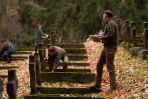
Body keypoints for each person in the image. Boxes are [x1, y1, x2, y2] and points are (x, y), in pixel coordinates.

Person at [89, 10, 118, 92]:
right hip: (106, 47)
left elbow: (111, 36)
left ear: (106, 16)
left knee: (110, 66)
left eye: (103, 16)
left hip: (110, 48)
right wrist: (98, 37)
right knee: (99, 64)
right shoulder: (108, 24)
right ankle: (97, 84)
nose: (102, 18)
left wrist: (100, 38)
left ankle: (113, 86)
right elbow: (106, 36)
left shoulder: (111, 23)